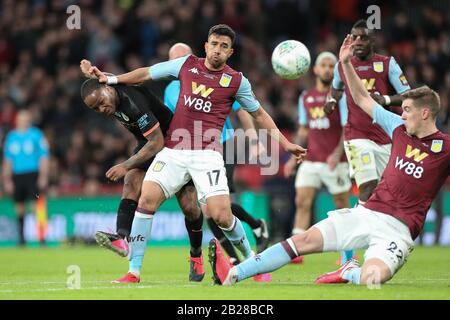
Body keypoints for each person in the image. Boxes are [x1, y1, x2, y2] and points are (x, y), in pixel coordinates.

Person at [209, 34, 450, 286]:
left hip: (398, 231)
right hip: (367, 213)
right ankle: (235, 273)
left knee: (373, 278)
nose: (403, 114)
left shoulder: (444, 146)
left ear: (425, 113)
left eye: (408, 110)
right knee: (302, 241)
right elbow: (362, 99)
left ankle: (348, 272)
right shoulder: (398, 128)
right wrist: (345, 64)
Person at [86, 24, 306, 283]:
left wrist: (285, 143)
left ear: (230, 52)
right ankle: (134, 271)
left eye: (224, 47)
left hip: (208, 154)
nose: (217, 50)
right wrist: (110, 79)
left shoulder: (236, 81)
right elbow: (146, 73)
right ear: (206, 45)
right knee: (146, 201)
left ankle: (252, 262)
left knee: (222, 216)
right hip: (174, 151)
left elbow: (258, 113)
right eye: (214, 44)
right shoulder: (186, 65)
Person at [79, 62, 205, 282]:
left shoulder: (131, 103)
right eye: (96, 108)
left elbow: (157, 142)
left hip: (175, 144)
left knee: (190, 208)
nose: (102, 109)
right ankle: (121, 239)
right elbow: (106, 78)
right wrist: (92, 73)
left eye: (101, 103)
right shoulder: (109, 90)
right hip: (148, 142)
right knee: (132, 182)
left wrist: (125, 164)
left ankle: (196, 255)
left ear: (108, 90)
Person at [165, 43, 270, 265]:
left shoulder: (213, 80)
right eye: (173, 59)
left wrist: (253, 140)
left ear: (192, 57)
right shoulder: (170, 90)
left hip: (221, 144)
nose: (178, 62)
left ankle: (254, 229)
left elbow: (241, 109)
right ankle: (234, 257)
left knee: (218, 205)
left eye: (182, 57)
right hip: (191, 150)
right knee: (208, 210)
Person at [324, 19, 411, 264]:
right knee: (367, 187)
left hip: (385, 138)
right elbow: (335, 89)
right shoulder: (344, 66)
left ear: (373, 40)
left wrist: (383, 99)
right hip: (356, 136)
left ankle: (368, 244)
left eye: (363, 37)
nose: (358, 42)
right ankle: (348, 254)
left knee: (383, 195)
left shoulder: (387, 64)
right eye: (354, 37)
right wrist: (331, 101)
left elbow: (409, 95)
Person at [284, 52, 351, 263]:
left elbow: (347, 128)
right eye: (323, 65)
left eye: (331, 66)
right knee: (302, 202)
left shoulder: (340, 96)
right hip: (311, 160)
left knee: (342, 206)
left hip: (335, 162)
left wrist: (337, 153)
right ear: (315, 69)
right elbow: (304, 130)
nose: (327, 69)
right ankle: (296, 251)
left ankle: (347, 253)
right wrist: (292, 158)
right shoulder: (306, 96)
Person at [2, 110, 49, 246]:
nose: (23, 121)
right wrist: (7, 179)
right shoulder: (11, 137)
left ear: (29, 120)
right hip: (17, 175)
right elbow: (8, 160)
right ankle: (22, 239)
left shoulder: (36, 135)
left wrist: (43, 175)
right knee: (19, 207)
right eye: (21, 119)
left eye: (25, 118)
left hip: (33, 174)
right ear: (16, 120)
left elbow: (44, 157)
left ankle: (41, 238)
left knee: (36, 206)